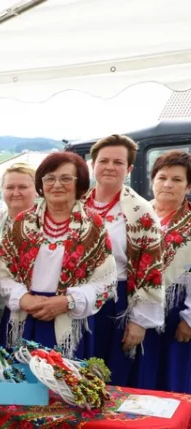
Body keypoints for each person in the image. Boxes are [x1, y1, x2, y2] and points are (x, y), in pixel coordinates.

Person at [0, 152, 116, 358]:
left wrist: (68, 302)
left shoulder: (94, 226)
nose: (57, 184)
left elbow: (105, 281)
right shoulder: (22, 222)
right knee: (20, 384)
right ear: (41, 184)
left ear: (79, 184)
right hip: (25, 316)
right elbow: (1, 271)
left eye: (66, 178)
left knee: (63, 385)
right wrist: (23, 298)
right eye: (50, 178)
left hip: (68, 320)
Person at [82, 134, 163, 385]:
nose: (109, 167)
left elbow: (151, 269)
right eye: (103, 160)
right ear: (92, 165)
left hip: (115, 303)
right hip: (73, 297)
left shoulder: (141, 212)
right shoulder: (75, 202)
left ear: (128, 169)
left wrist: (139, 321)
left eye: (118, 162)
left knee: (108, 377)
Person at [135, 151, 191, 392]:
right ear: (152, 181)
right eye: (162, 177)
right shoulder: (138, 215)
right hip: (135, 306)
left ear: (188, 186)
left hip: (175, 309)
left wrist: (189, 319)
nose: (168, 184)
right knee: (137, 372)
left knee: (170, 375)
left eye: (177, 180)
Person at [0, 164, 38, 334]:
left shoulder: (46, 222)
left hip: (29, 307)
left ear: (37, 190)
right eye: (10, 187)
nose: (16, 192)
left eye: (23, 187)